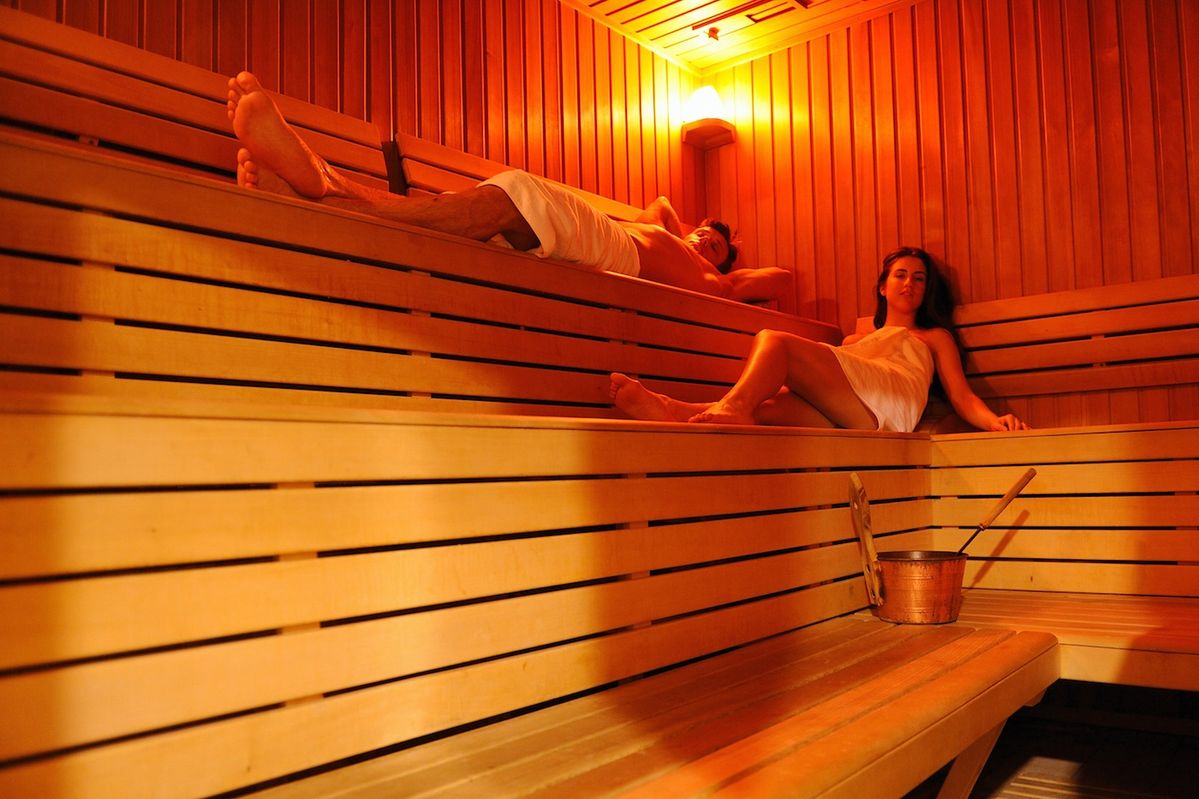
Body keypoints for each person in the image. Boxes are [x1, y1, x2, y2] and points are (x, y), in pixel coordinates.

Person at [226, 71, 789, 303]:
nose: (700, 243)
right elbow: (661, 206)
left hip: (611, 257)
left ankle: (321, 186)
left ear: (726, 260)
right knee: (465, 214)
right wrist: (689, 230)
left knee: (517, 189)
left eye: (713, 244)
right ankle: (313, 185)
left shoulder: (722, 284)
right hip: (591, 245)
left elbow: (778, 277)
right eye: (702, 237)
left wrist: (718, 256)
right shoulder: (663, 230)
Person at [610, 247, 1029, 433]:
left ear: (926, 290)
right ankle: (677, 412)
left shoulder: (933, 336)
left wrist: (995, 421)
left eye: (919, 278)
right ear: (883, 287)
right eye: (900, 274)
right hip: (855, 414)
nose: (909, 283)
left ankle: (730, 407)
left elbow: (960, 396)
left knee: (775, 341)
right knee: (771, 408)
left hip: (890, 404)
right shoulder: (855, 339)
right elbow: (830, 390)